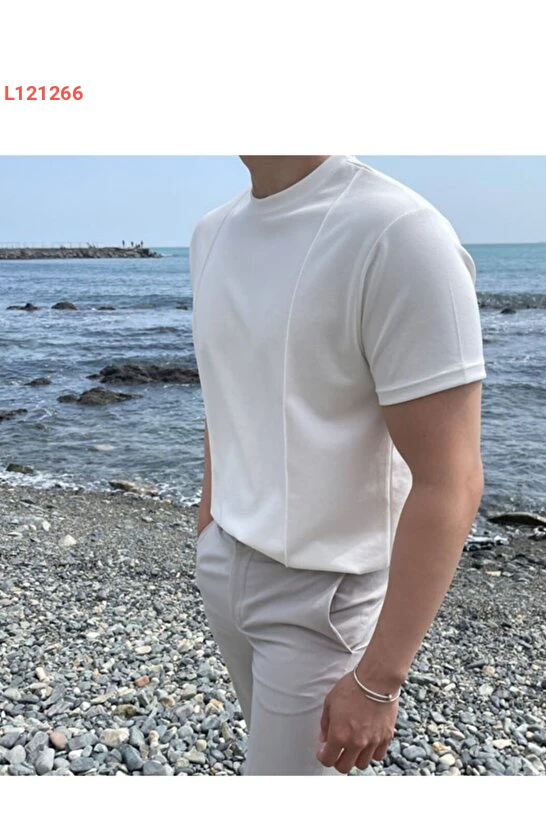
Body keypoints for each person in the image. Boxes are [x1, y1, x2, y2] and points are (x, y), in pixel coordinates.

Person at [190, 155, 486, 776]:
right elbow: (228, 393)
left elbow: (451, 479)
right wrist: (209, 526)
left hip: (325, 596)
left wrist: (380, 678)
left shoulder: (399, 234)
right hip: (225, 562)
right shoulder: (212, 234)